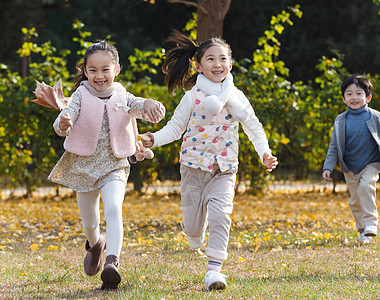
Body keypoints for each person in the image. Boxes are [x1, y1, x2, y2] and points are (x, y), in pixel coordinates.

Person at [141, 31, 278, 291]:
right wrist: (154, 139)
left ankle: (214, 271)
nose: (217, 64)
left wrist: (265, 152)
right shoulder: (192, 97)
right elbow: (174, 128)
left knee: (221, 215)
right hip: (193, 168)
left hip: (224, 169)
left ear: (231, 63)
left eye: (223, 58)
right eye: (211, 59)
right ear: (199, 65)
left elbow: (254, 127)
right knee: (193, 230)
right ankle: (194, 230)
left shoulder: (237, 97)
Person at [47, 40, 165, 289]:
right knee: (89, 223)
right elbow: (63, 119)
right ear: (86, 71)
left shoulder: (123, 94)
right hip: (83, 166)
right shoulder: (80, 94)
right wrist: (64, 123)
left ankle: (112, 262)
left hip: (115, 164)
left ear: (117, 69)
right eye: (93, 70)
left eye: (105, 69)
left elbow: (139, 105)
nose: (99, 76)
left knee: (113, 208)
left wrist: (151, 104)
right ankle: (95, 244)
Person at [322, 74, 380, 244]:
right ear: (343, 98)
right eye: (349, 94)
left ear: (368, 97)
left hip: (371, 163)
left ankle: (371, 224)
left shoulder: (375, 116)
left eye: (358, 93)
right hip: (349, 167)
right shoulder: (340, 121)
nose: (354, 97)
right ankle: (362, 229)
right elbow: (333, 146)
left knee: (366, 187)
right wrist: (328, 167)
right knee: (355, 200)